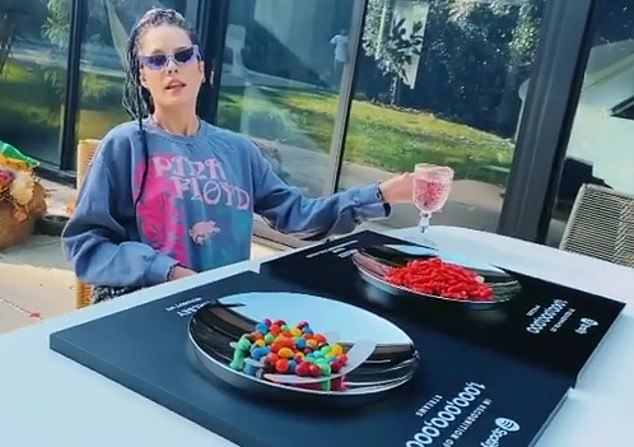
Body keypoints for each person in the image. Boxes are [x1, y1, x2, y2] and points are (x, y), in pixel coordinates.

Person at [62, 8, 415, 303]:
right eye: (156, 60)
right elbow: (86, 244)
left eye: (183, 56)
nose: (171, 67)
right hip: (146, 309)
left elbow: (298, 216)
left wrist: (381, 194)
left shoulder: (239, 151)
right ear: (142, 76)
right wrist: (167, 272)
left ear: (201, 68)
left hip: (223, 311)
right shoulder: (124, 145)